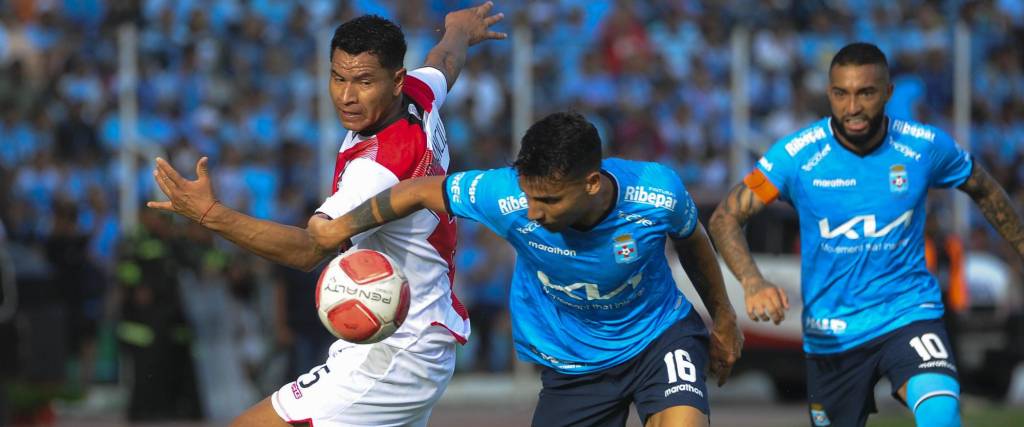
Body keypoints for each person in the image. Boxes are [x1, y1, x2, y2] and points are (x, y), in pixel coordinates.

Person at [146, 3, 506, 426]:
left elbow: (307, 250)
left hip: (395, 352)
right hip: (412, 336)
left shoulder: (377, 169)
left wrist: (209, 213)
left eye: (363, 82)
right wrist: (458, 31)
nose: (347, 95)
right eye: (339, 78)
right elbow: (443, 61)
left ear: (395, 81)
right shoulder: (420, 96)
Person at [308, 112, 744, 427]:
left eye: (549, 201)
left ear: (591, 183)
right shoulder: (506, 197)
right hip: (573, 363)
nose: (533, 213)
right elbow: (417, 192)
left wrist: (723, 317)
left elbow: (693, 241)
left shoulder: (657, 193)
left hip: (658, 338)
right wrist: (339, 227)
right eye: (529, 196)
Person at [708, 42, 1024, 427]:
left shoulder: (923, 147)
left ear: (888, 92)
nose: (853, 107)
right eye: (841, 93)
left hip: (908, 314)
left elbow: (985, 189)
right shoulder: (797, 156)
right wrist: (753, 282)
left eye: (866, 92)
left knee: (941, 413)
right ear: (829, 93)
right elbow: (725, 217)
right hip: (833, 332)